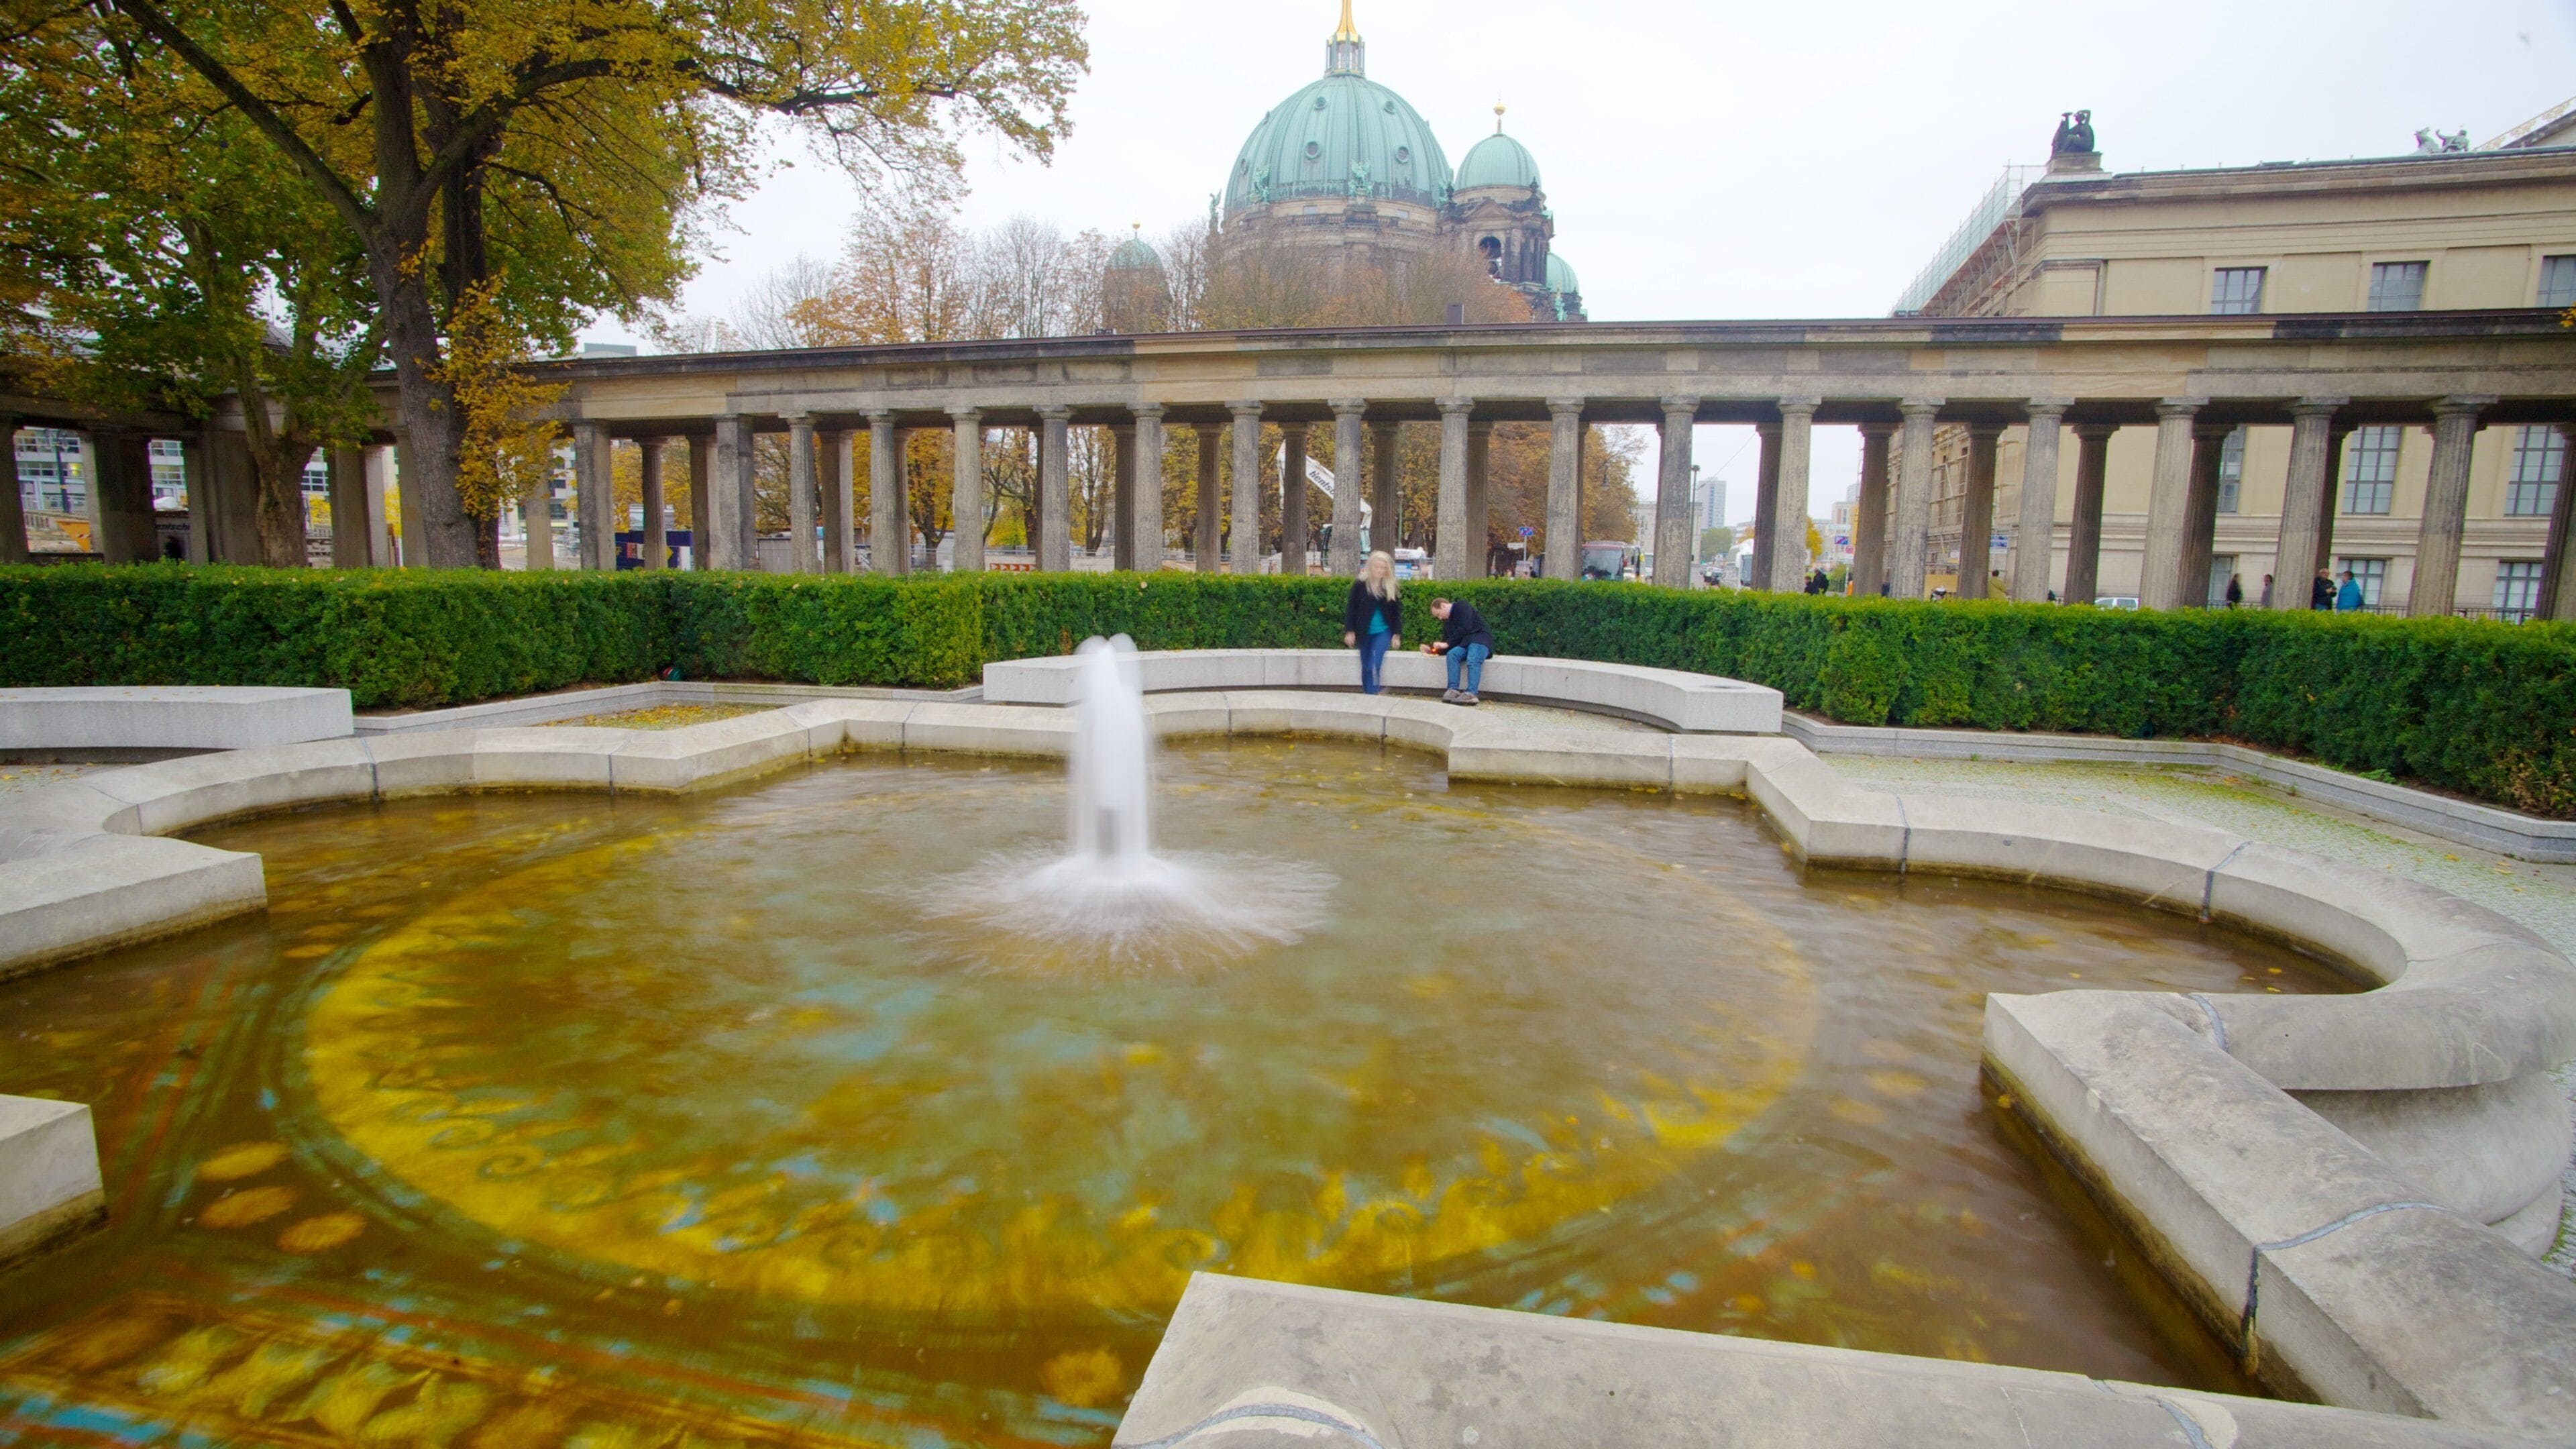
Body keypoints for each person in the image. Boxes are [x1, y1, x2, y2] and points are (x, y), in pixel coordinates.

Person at [1342, 550, 1403, 695]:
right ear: (1371, 567)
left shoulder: (1390, 585)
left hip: (1383, 631)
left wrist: (1397, 634)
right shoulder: (1360, 585)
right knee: (1366, 666)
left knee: (1375, 664)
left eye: (1383, 568)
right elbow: (1351, 609)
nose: (1380, 571)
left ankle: (1374, 694)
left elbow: (1396, 613)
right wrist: (1349, 631)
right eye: (1377, 567)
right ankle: (1368, 693)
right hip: (1364, 631)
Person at [1420, 596, 1495, 705]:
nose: (1440, 618)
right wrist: (1433, 649)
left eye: (1439, 614)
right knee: (1452, 654)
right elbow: (1448, 643)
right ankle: (1453, 689)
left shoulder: (1461, 606)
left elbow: (1465, 627)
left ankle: (1471, 693)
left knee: (1473, 658)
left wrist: (1447, 643)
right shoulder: (1447, 622)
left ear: (1443, 605)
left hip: (1480, 640)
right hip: (1465, 643)